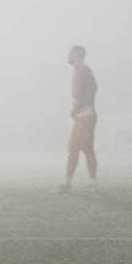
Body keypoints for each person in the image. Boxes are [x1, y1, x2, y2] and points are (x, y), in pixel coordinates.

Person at [58, 44, 98, 193]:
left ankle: (67, 183)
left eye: (71, 52)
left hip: (84, 115)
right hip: (87, 114)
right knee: (87, 149)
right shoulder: (83, 69)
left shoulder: (80, 68)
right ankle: (92, 181)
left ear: (76, 54)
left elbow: (85, 91)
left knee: (73, 147)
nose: (68, 55)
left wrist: (77, 106)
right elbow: (93, 88)